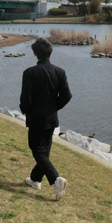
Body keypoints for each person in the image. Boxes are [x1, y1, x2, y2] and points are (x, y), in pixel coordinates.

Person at [20, 38, 72, 200]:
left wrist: (25, 110)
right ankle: (35, 180)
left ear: (35, 53)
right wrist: (54, 107)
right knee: (45, 150)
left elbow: (26, 99)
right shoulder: (60, 72)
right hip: (51, 117)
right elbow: (66, 95)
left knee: (36, 149)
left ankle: (55, 179)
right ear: (50, 53)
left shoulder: (29, 73)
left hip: (36, 117)